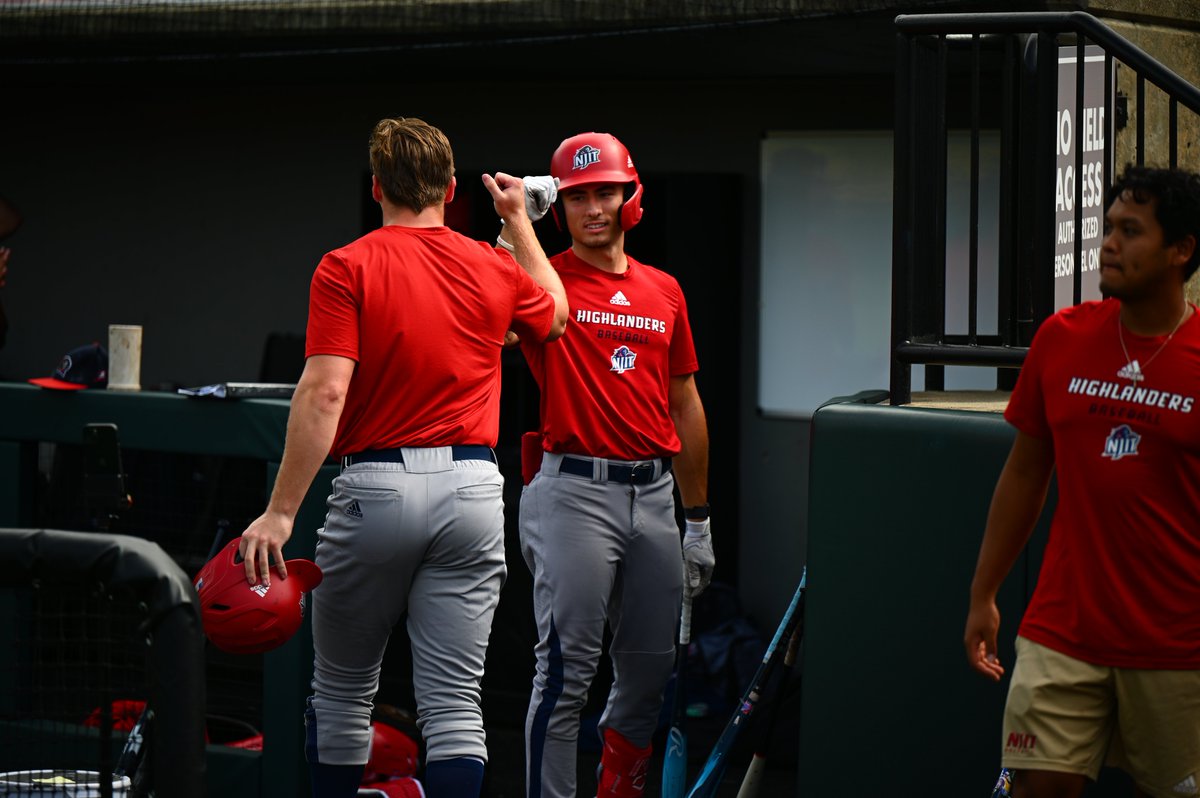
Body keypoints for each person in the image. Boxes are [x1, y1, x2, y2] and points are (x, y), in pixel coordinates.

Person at [236, 117, 568, 798]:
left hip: (378, 484)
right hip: (472, 487)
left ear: (377, 187)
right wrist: (518, 220)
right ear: (451, 189)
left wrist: (280, 512)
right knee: (455, 705)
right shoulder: (493, 264)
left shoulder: (346, 264)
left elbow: (326, 392)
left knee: (342, 694)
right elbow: (556, 316)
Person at [964, 165, 1200, 798]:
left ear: (1181, 250)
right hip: (1062, 631)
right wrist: (984, 593)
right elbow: (1024, 474)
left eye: (1131, 231)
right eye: (1108, 228)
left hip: (1179, 646)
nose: (1108, 245)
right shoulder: (1061, 339)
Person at [501, 132, 714, 798]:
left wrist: (698, 519)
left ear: (631, 197)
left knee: (649, 673)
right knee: (565, 675)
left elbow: (685, 402)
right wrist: (514, 227)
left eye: (606, 193)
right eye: (577, 197)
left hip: (653, 495)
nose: (594, 208)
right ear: (559, 207)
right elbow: (484, 311)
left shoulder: (665, 290)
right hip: (573, 491)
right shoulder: (545, 278)